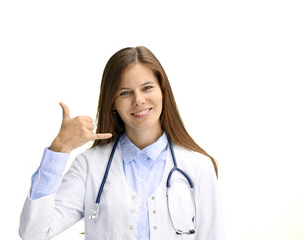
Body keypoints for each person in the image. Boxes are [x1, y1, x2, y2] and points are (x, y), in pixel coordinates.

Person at [19, 46, 225, 240]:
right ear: (113, 103)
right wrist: (59, 149)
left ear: (162, 91)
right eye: (125, 92)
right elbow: (33, 232)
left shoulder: (198, 167)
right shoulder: (89, 166)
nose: (139, 100)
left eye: (147, 88)